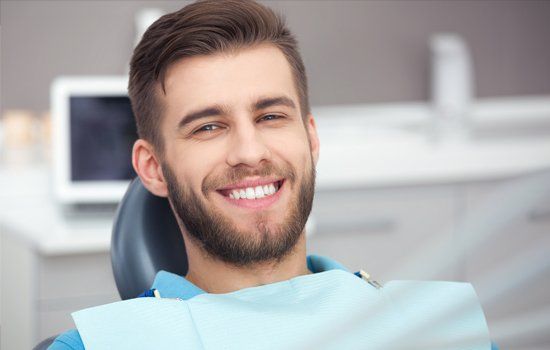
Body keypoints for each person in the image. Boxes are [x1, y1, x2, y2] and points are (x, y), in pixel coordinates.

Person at [49, 1, 494, 349]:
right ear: (153, 168)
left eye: (271, 116)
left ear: (311, 138)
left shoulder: (439, 332)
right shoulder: (97, 346)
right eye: (208, 126)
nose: (249, 152)